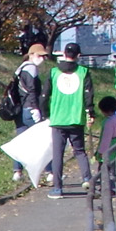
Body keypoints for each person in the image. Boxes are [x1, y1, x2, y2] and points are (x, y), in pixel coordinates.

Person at [44, 41, 91, 197]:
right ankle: (87, 179)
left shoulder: (53, 72)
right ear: (78, 56)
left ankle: (57, 188)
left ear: (64, 54)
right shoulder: (84, 72)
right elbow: (88, 95)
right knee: (79, 151)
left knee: (58, 154)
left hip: (57, 118)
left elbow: (44, 95)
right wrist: (90, 112)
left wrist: (45, 113)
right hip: (76, 117)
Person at [0, 44, 51, 184]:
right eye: (40, 56)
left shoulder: (20, 68)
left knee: (20, 141)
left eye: (44, 56)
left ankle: (17, 172)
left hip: (19, 110)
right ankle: (49, 172)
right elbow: (32, 91)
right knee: (42, 141)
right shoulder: (31, 68)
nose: (42, 59)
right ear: (32, 55)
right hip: (30, 109)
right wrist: (36, 108)